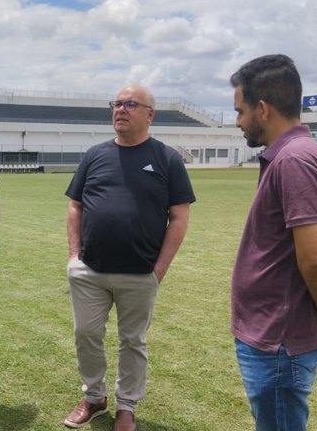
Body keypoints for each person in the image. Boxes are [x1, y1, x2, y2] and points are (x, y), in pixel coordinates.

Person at [230, 54, 317, 430]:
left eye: (240, 111)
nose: (237, 121)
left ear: (263, 109)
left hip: (278, 340)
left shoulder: (294, 160)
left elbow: (316, 258)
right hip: (275, 335)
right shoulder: (294, 155)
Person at [64, 85, 195, 431]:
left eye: (130, 104)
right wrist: (73, 256)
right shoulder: (94, 155)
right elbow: (75, 206)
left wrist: (159, 269)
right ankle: (94, 398)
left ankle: (126, 407)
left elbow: (179, 217)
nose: (120, 109)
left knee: (132, 341)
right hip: (89, 270)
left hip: (140, 273)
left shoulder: (167, 159)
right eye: (117, 104)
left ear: (149, 114)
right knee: (86, 334)